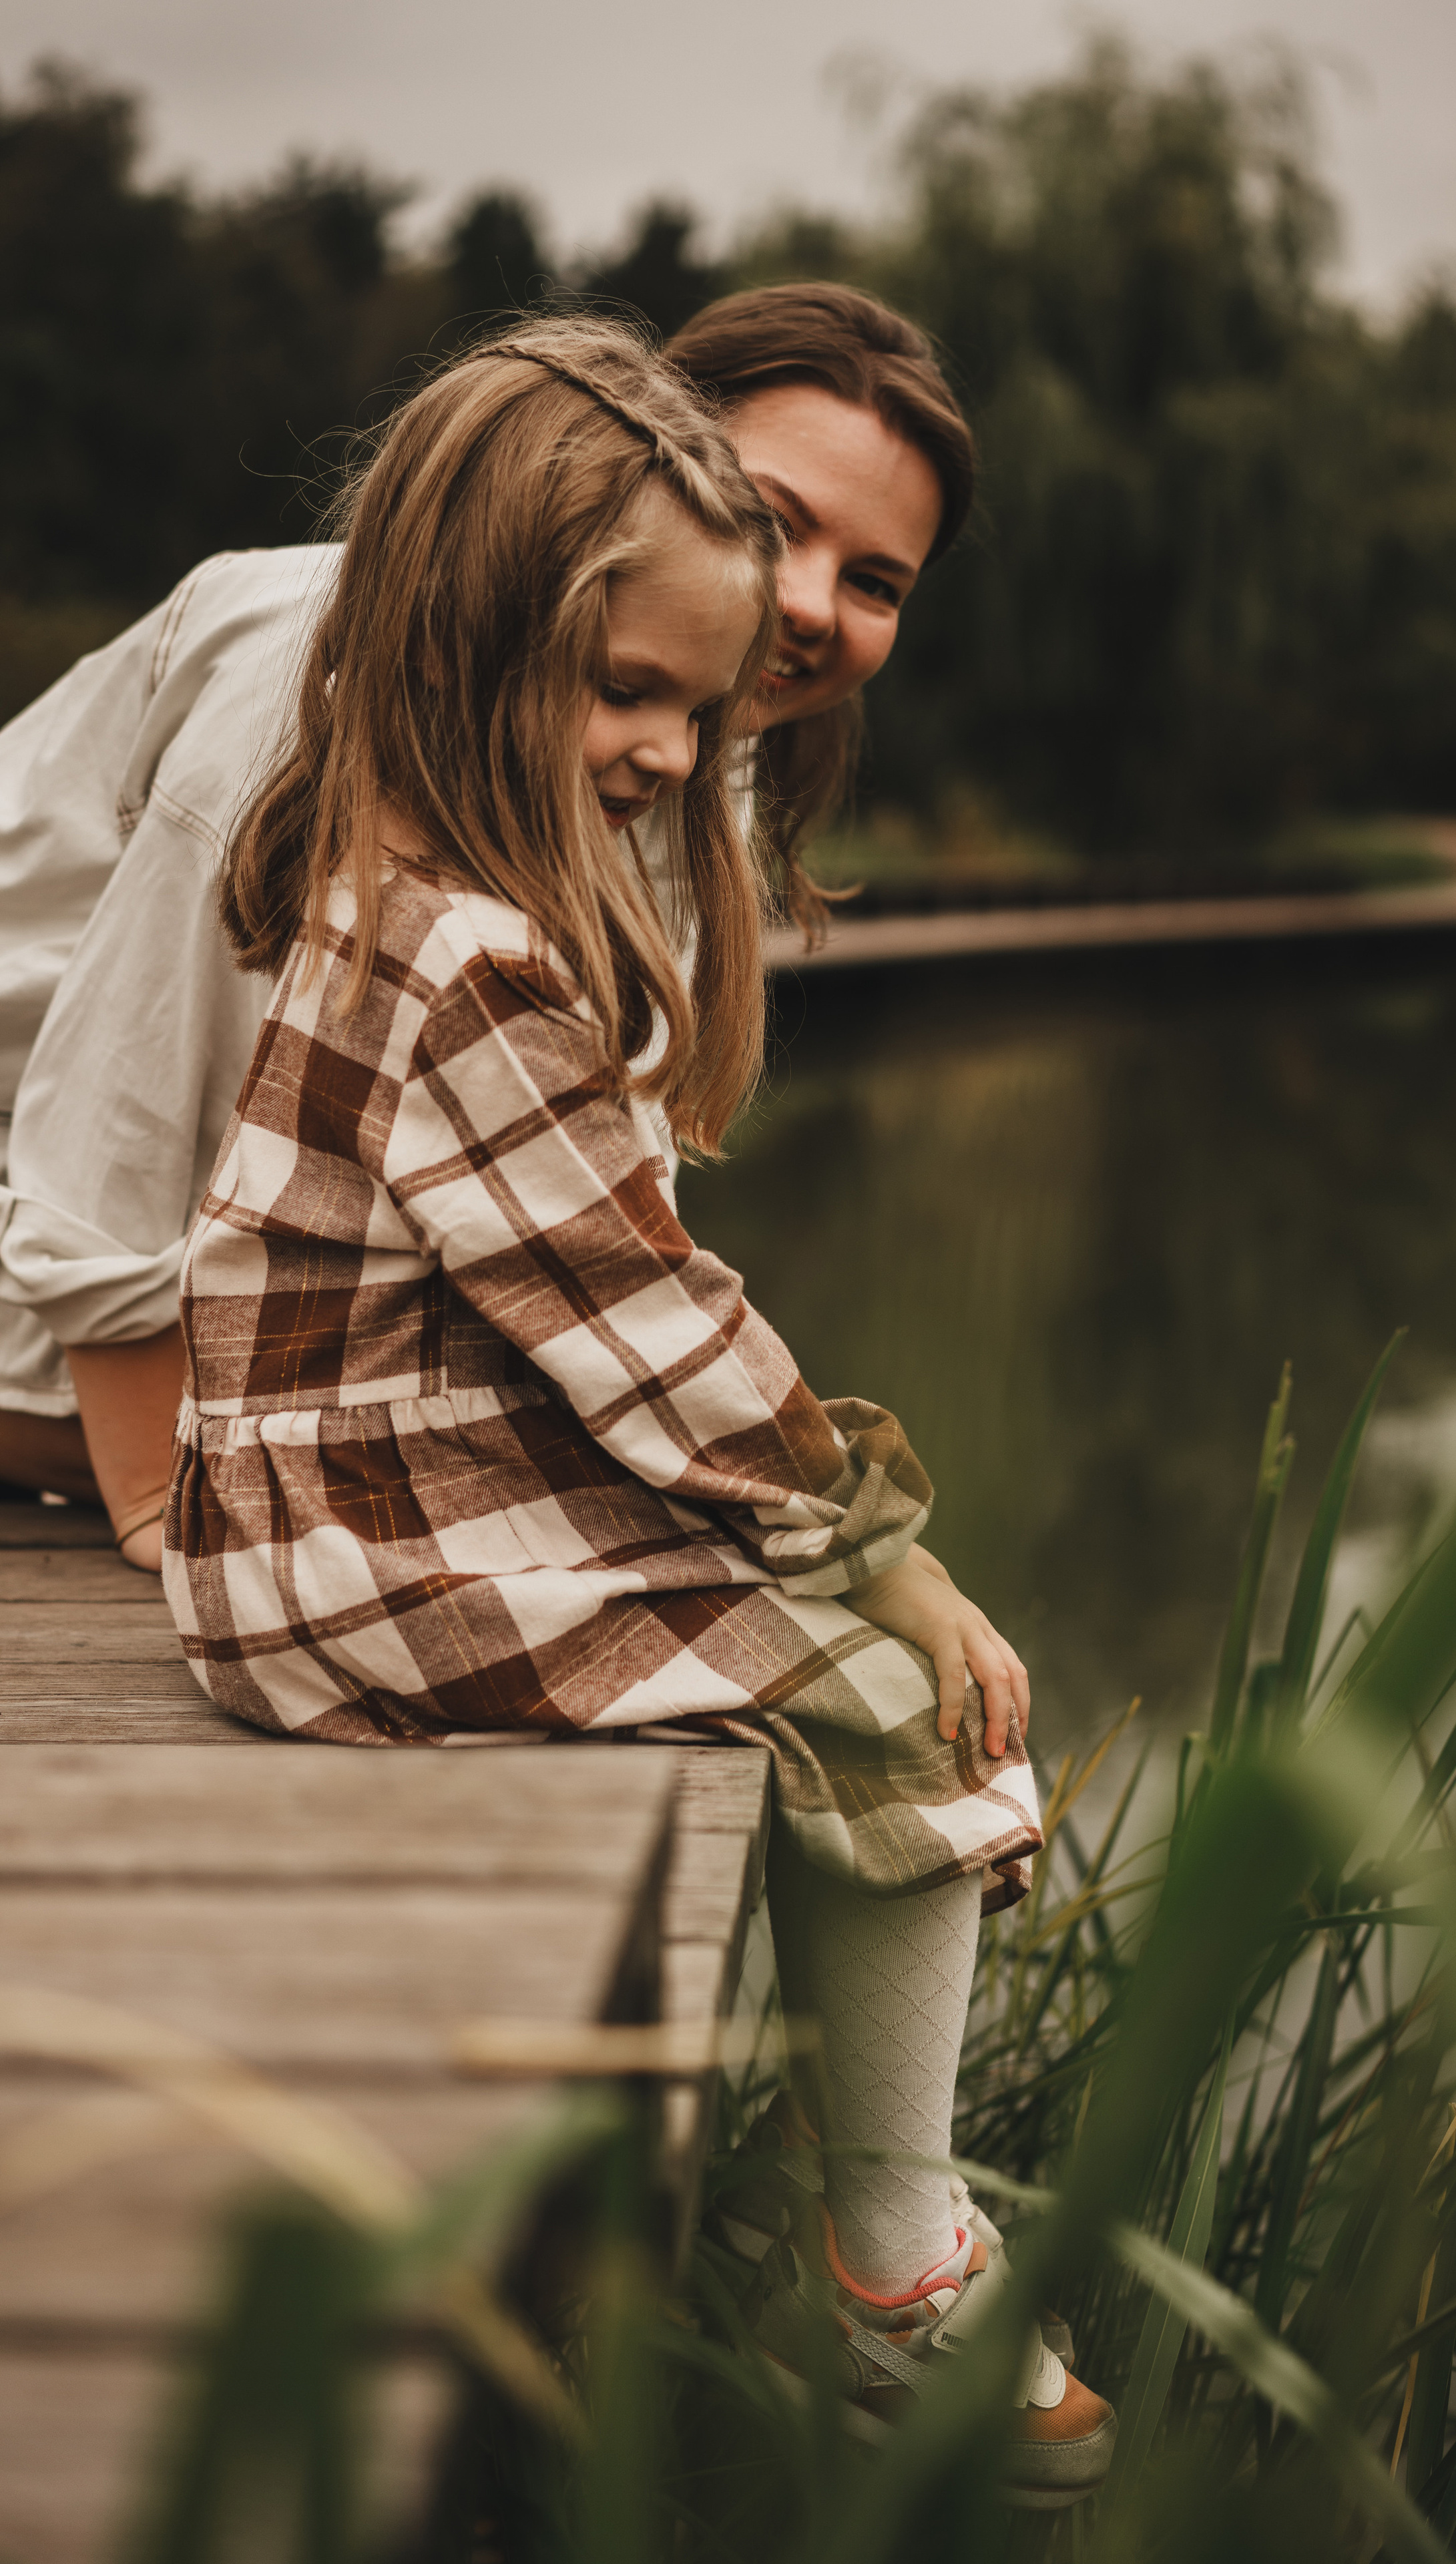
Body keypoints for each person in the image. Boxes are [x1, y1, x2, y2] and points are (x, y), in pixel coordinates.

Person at [163, 313, 1114, 2499]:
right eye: (633, 696)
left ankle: (867, 2194)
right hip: (350, 1558)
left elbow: (589, 1320)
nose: (684, 758)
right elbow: (653, 1330)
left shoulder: (389, 864)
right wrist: (892, 1552)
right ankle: (893, 2267)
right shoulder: (480, 960)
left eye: (698, 709)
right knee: (888, 1696)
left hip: (327, 1513)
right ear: (464, 636)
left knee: (811, 1639)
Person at [0, 283, 971, 1568]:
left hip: (248, 1348)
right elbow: (114, 1119)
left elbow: (587, 1166)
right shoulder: (322, 685)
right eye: (774, 519)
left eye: (876, 582)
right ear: (638, 449)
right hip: (61, 1314)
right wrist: (150, 1504)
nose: (807, 601)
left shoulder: (678, 761)